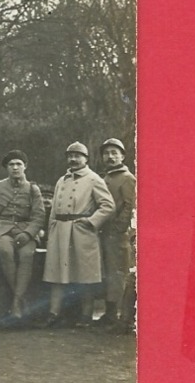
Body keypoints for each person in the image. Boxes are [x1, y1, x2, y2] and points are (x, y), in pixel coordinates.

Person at [42, 142, 115, 327]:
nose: (73, 159)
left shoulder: (93, 179)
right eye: (70, 156)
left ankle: (86, 315)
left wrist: (90, 222)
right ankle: (54, 313)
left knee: (85, 276)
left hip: (81, 232)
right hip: (60, 232)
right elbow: (53, 212)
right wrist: (52, 230)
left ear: (86, 159)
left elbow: (108, 206)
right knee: (57, 274)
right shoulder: (62, 180)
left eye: (77, 156)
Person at [0, 150, 45, 323]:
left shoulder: (33, 189)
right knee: (5, 251)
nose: (15, 168)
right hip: (1, 230)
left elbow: (39, 216)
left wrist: (28, 233)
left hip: (25, 229)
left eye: (18, 164)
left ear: (25, 167)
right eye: (11, 165)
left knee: (27, 255)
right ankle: (19, 300)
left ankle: (16, 301)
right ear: (6, 168)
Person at [95, 137, 137, 331]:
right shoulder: (106, 178)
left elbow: (129, 206)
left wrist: (119, 229)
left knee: (118, 273)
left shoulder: (127, 178)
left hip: (117, 234)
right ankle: (109, 313)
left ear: (122, 156)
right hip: (104, 232)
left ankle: (120, 316)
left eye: (114, 153)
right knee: (108, 272)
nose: (110, 157)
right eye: (107, 153)